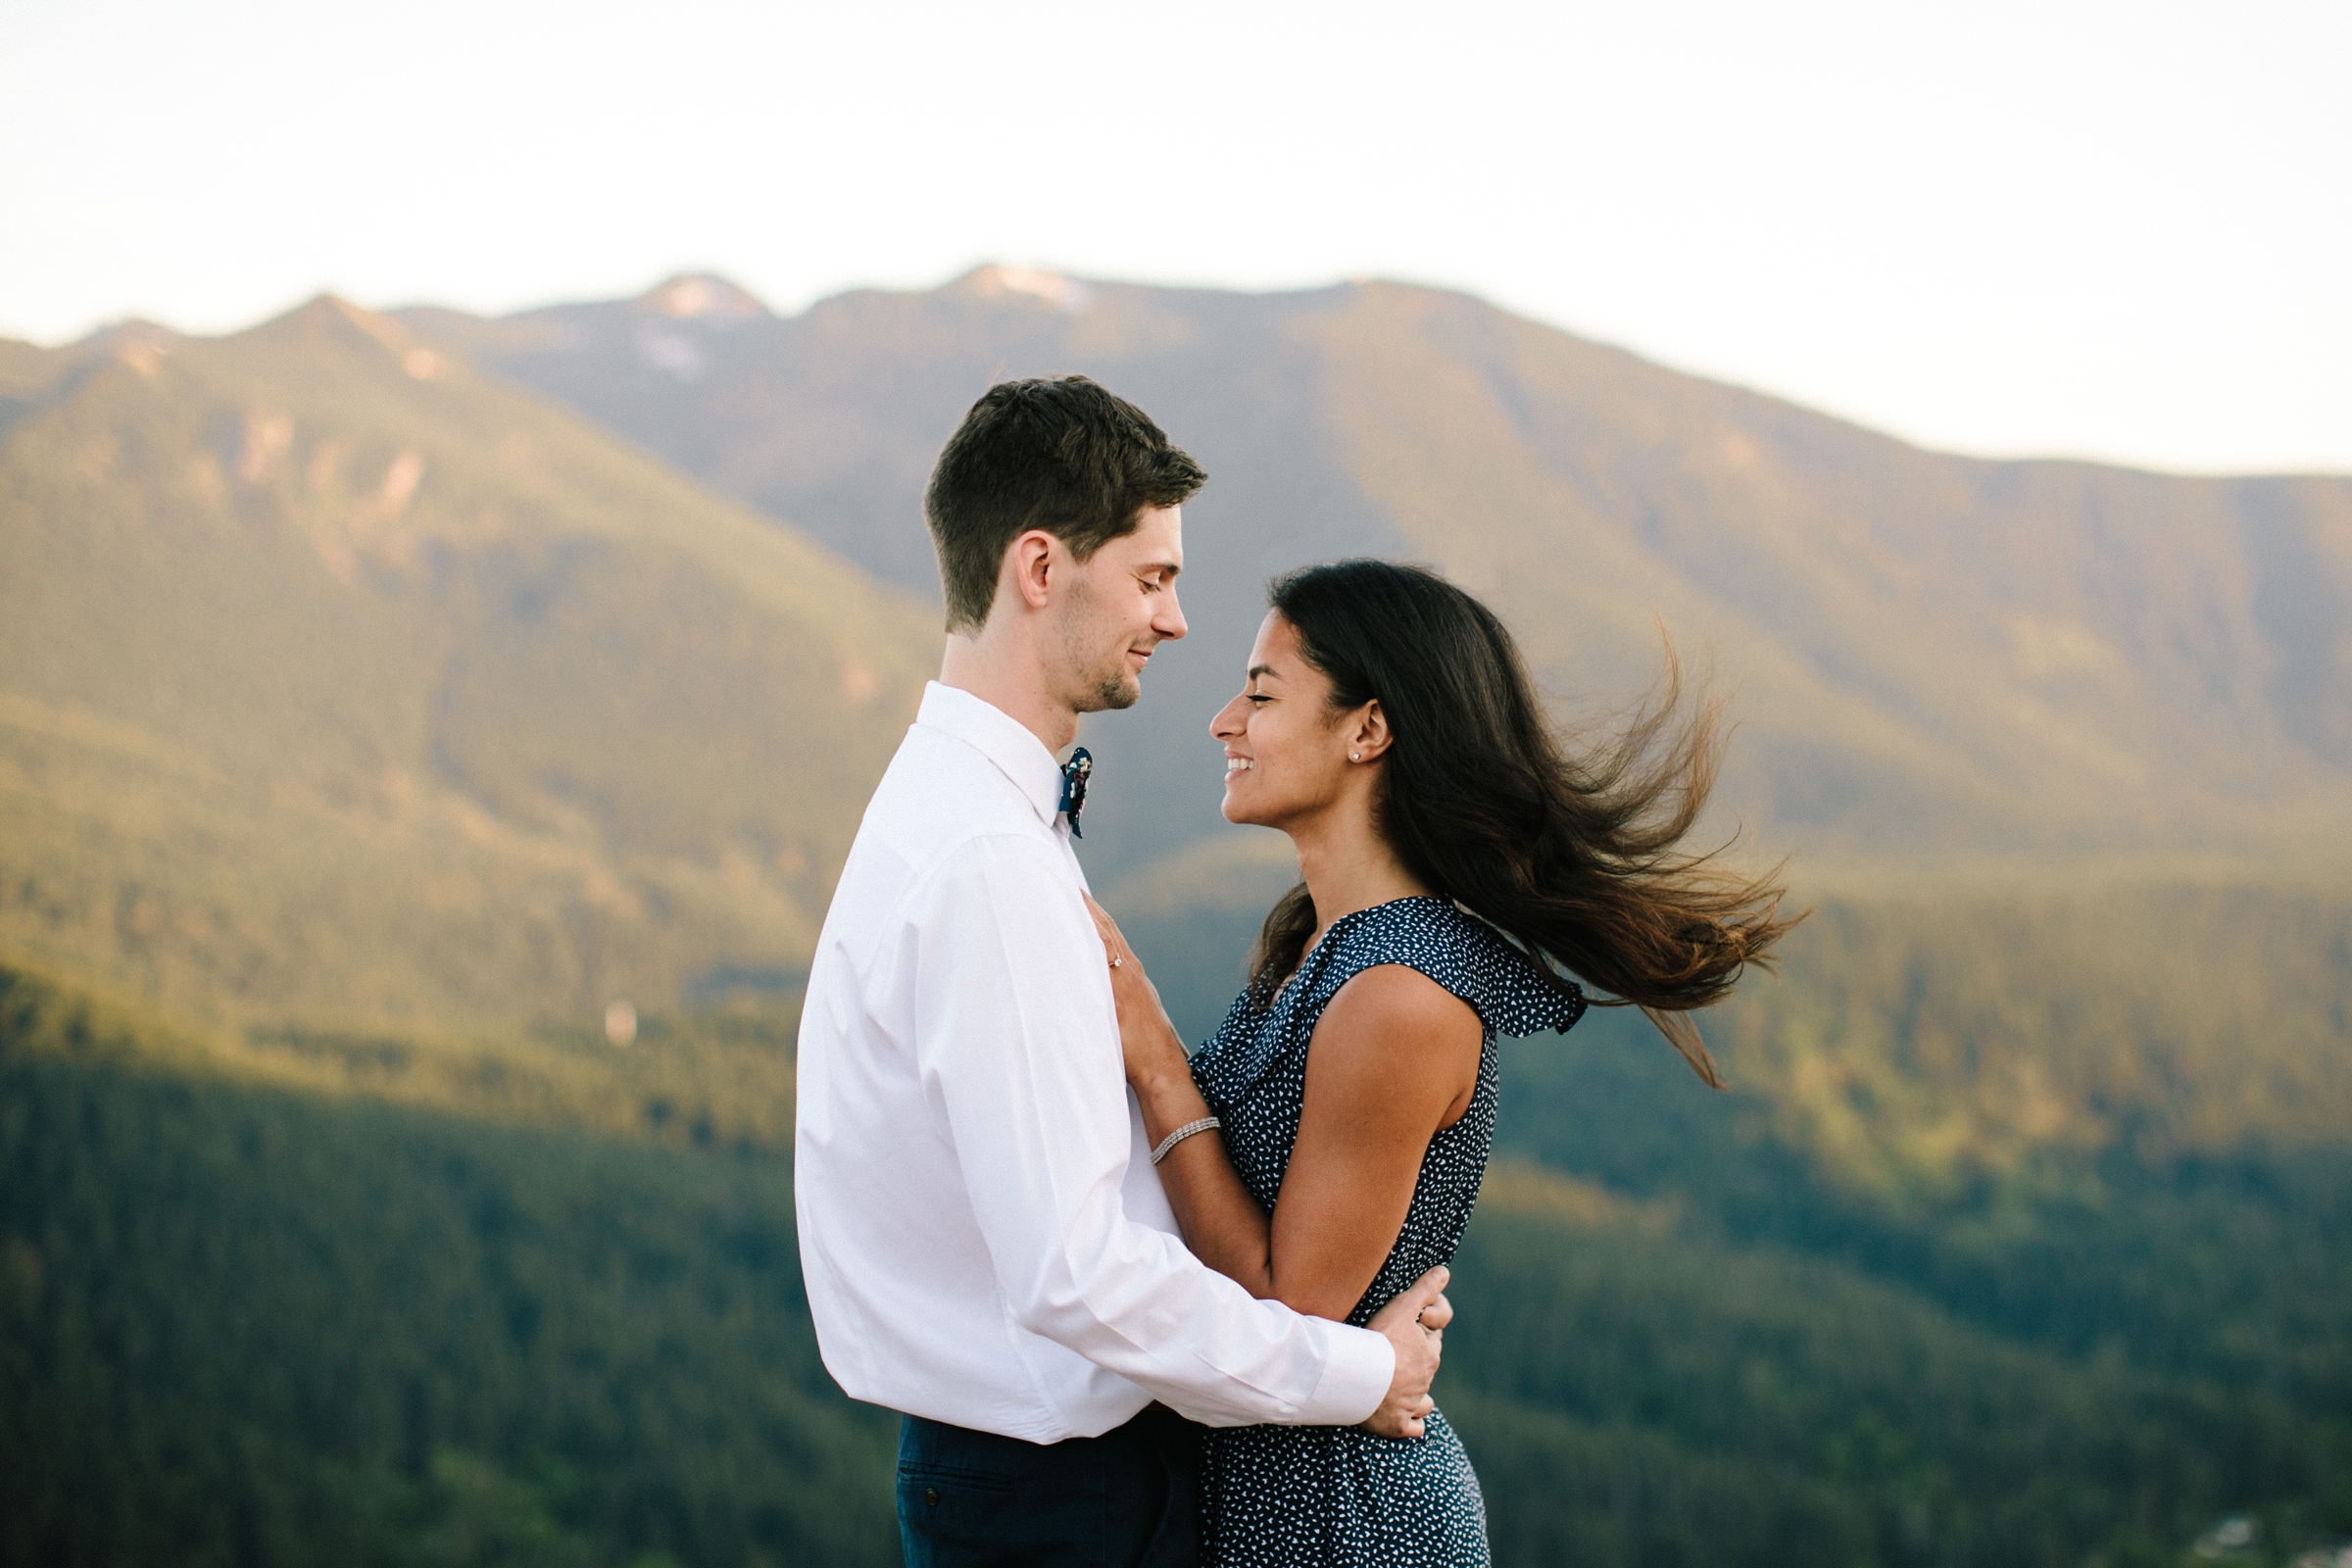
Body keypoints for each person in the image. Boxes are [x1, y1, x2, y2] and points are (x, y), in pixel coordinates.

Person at [794, 381, 1454, 1568]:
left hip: (1023, 1481)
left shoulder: (959, 807)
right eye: (1152, 578)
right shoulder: (989, 859)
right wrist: (1363, 1371)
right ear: (1039, 568)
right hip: (1058, 1504)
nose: (1180, 618)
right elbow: (1074, 1272)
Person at [1088, 559, 1798, 1566]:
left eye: (1259, 691)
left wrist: (1158, 1065)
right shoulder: (1317, 947)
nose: (1223, 722)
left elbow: (1289, 1309)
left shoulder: (1398, 998)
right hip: (1265, 1503)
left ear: (1367, 731)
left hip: (1345, 1523)